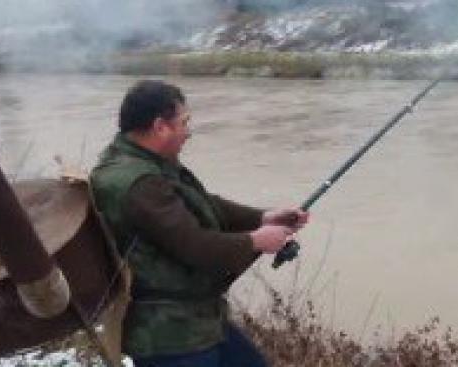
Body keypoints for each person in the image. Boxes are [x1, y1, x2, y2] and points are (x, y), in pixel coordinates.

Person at [90, 80, 308, 367]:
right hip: (170, 337)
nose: (188, 132)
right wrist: (257, 241)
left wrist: (262, 217)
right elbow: (196, 246)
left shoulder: (146, 162)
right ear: (160, 126)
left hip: (198, 320)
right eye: (184, 122)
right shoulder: (139, 183)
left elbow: (202, 202)